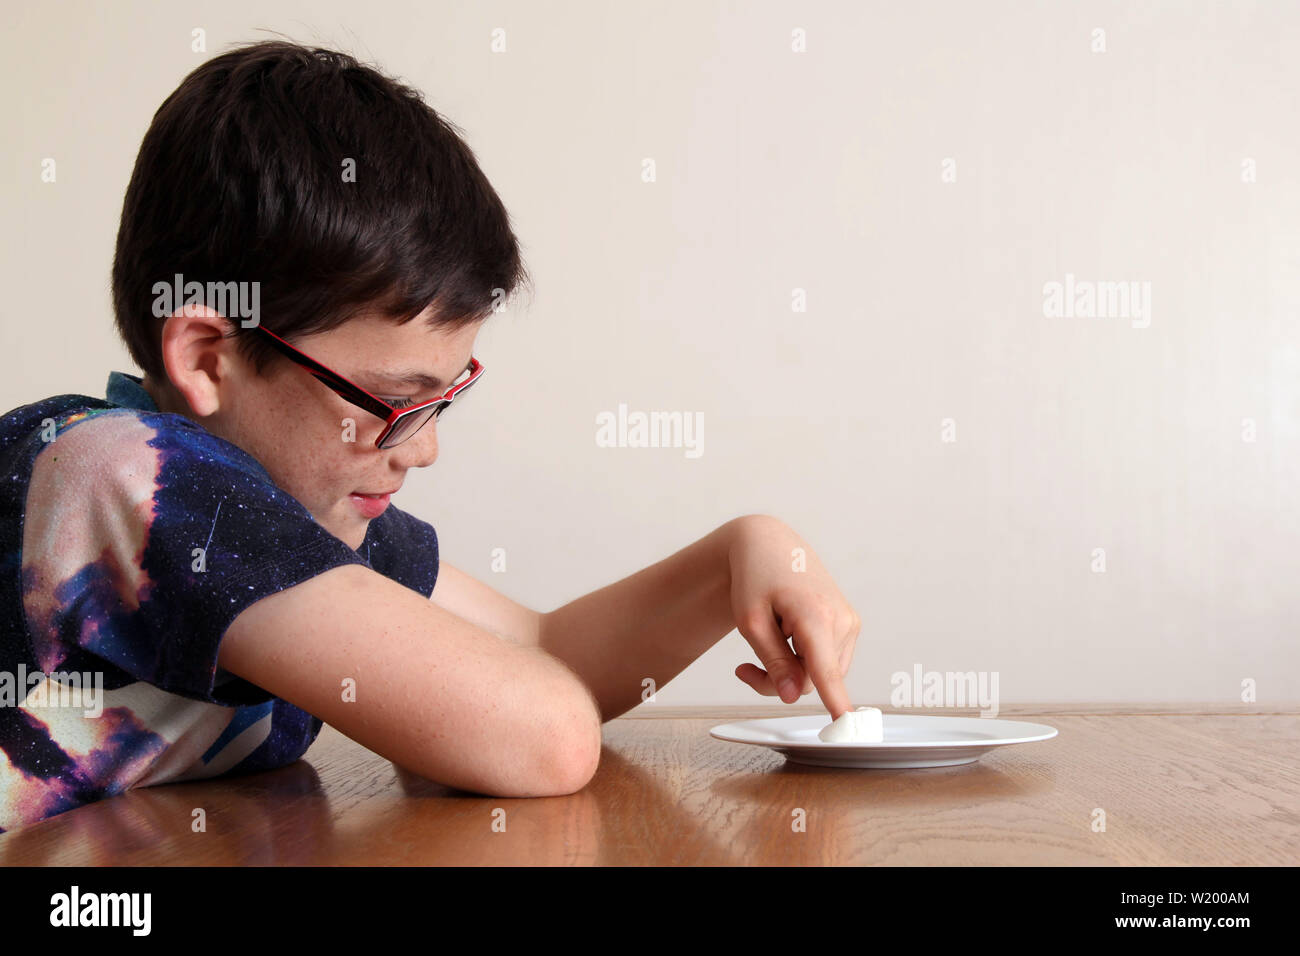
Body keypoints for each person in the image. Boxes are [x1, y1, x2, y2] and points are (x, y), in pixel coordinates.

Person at [0, 39, 859, 833]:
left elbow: (545, 653)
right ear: (208, 356)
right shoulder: (124, 475)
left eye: (443, 399)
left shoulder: (299, 517)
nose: (421, 449)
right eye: (389, 398)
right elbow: (543, 732)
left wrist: (738, 557)